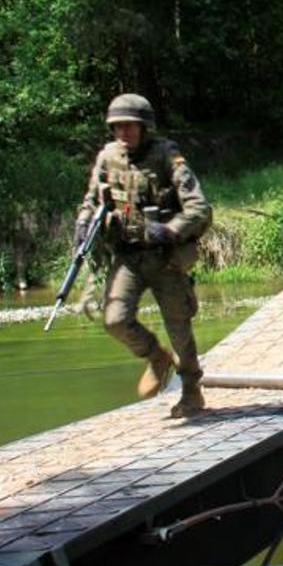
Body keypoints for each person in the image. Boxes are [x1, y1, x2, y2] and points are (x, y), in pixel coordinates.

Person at [74, 93, 213, 418]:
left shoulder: (168, 157)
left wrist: (169, 230)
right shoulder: (107, 157)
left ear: (144, 126)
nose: (123, 132)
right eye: (117, 127)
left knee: (179, 325)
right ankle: (156, 357)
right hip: (129, 255)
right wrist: (83, 223)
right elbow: (92, 199)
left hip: (166, 257)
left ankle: (192, 391)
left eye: (129, 126)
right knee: (115, 319)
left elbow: (198, 207)